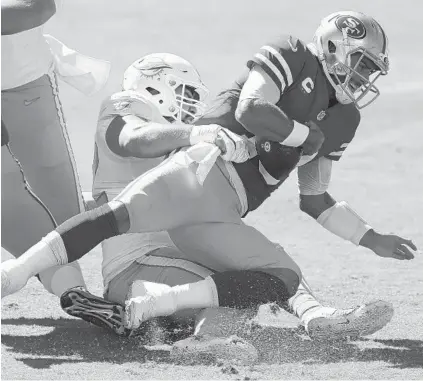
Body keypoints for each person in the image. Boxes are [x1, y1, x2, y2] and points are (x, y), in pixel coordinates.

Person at [2, 11, 416, 349]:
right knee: (116, 216)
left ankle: (216, 332)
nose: (364, 77)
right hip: (192, 185)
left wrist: (369, 236)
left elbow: (314, 196)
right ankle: (19, 272)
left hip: (218, 215)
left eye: (370, 69)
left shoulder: (345, 117)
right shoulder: (132, 109)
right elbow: (246, 110)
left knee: (268, 280)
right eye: (361, 63)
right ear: (333, 47)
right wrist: (296, 136)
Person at [57, 52, 394, 342]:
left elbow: (100, 200)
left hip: (164, 261)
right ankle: (201, 340)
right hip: (140, 266)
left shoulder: (169, 142)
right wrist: (197, 134)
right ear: (153, 84)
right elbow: (136, 142)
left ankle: (149, 322)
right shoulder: (138, 123)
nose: (190, 102)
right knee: (244, 290)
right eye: (183, 91)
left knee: (261, 269)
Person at [1, 0, 109, 302]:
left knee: (66, 216)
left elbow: (40, 7)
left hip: (23, 84)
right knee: (9, 202)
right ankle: (69, 288)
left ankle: (65, 284)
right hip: (23, 80)